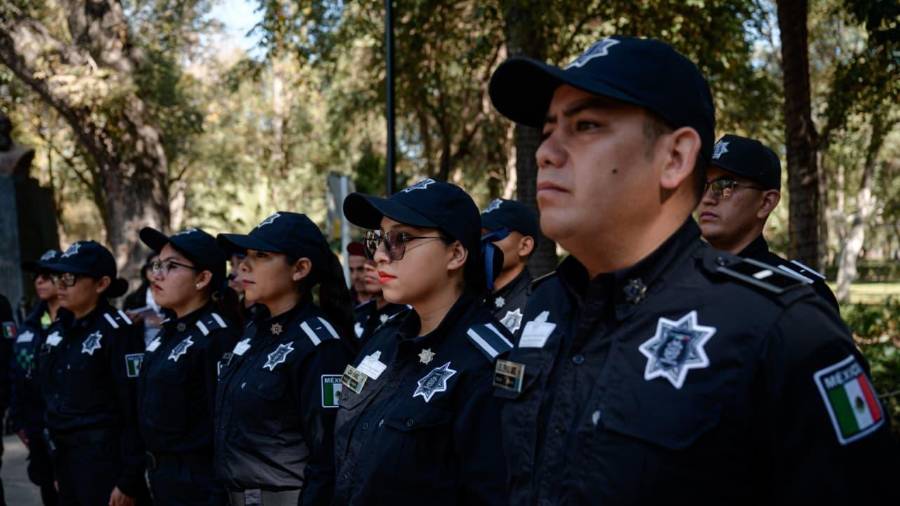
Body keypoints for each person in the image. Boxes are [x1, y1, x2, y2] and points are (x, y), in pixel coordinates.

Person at [487, 35, 897, 504]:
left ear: (676, 158)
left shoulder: (781, 328)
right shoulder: (545, 306)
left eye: (585, 125)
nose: (546, 153)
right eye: (547, 131)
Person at [334, 178, 512, 505]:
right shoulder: (383, 340)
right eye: (379, 239)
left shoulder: (487, 361)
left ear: (456, 253)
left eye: (401, 239)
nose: (381, 256)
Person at [215, 212, 354, 506]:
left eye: (262, 255)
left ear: (300, 268)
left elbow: (328, 454)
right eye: (246, 254)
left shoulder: (320, 345)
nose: (243, 265)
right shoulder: (254, 331)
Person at [37, 240, 148, 506]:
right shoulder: (57, 330)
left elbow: (135, 407)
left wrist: (129, 479)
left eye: (70, 278)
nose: (60, 285)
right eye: (58, 277)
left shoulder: (117, 331)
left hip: (106, 464)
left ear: (101, 284)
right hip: (65, 461)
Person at [136, 227, 241, 505]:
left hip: (198, 484)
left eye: (171, 266)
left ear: (203, 278)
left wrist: (217, 496)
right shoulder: (171, 330)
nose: (157, 274)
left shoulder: (216, 337)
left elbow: (223, 426)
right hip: (162, 477)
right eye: (158, 264)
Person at [698, 133, 840, 310]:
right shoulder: (675, 277)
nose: (707, 198)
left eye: (725, 186)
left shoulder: (801, 295)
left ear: (766, 203)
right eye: (701, 185)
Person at [11, 250, 62, 506]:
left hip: (73, 434)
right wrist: (19, 419)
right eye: (36, 276)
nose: (39, 281)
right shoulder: (30, 324)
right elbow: (18, 375)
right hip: (37, 428)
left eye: (46, 275)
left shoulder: (80, 322)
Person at [480, 198, 539, 334]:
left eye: (493, 234)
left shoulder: (537, 306)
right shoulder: (469, 296)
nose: (483, 241)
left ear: (524, 246)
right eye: (480, 234)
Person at [350, 260, 407, 352]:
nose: (367, 267)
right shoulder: (360, 311)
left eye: (380, 263)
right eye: (367, 261)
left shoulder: (407, 315)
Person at [123, 253, 165, 347]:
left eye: (161, 266)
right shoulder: (133, 299)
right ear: (146, 271)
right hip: (141, 350)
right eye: (152, 266)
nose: (156, 272)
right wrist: (129, 321)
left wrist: (161, 322)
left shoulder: (177, 296)